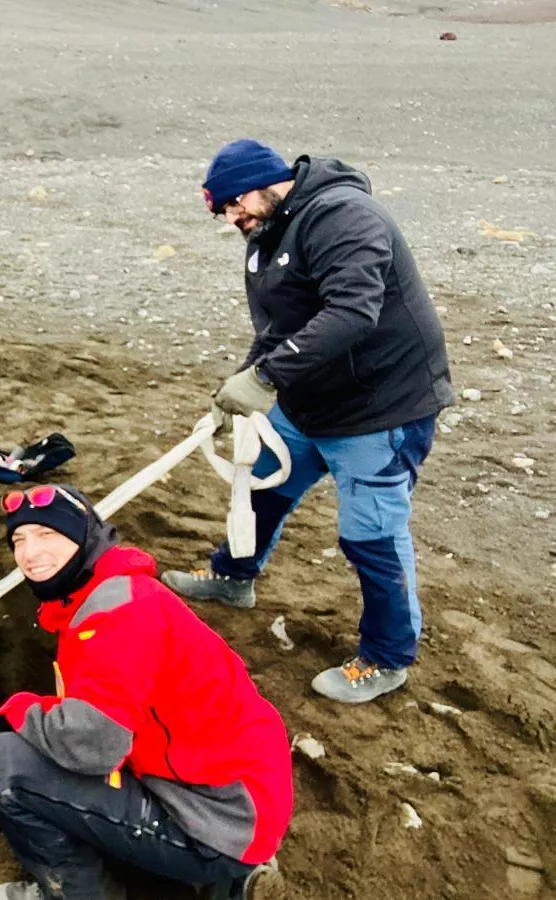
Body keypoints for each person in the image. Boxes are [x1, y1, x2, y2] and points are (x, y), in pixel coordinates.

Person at [163, 138, 452, 704]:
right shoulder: (268, 232)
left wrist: (266, 379)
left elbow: (352, 311)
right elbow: (280, 324)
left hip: (380, 408)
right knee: (261, 485)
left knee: (371, 534)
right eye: (223, 212)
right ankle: (233, 577)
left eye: (232, 205)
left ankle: (387, 657)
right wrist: (241, 385)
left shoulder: (345, 217)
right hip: (312, 400)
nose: (231, 219)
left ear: (262, 182)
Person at [0, 484, 292, 900]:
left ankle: (80, 893)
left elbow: (94, 746)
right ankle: (227, 877)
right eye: (19, 539)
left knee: (7, 765)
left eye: (47, 535)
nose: (29, 553)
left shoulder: (115, 617)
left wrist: (23, 711)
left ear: (84, 536)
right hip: (245, 792)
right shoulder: (114, 592)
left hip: (221, 817)